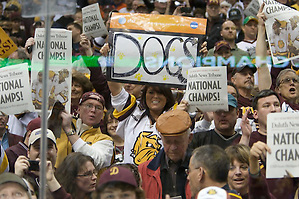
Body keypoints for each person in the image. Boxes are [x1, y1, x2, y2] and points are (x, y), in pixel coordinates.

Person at [108, 81, 175, 165]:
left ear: (167, 97)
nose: (155, 96)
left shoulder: (174, 117)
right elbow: (114, 86)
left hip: (160, 177)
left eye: (160, 93)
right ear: (145, 95)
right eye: (151, 92)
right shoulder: (132, 110)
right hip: (131, 176)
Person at [138, 109, 192, 199]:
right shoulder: (144, 170)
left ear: (189, 138)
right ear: (161, 139)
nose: (173, 147)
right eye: (168, 142)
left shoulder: (203, 168)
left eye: (178, 141)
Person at [57, 91, 114, 169]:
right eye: (89, 106)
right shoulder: (60, 128)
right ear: (79, 109)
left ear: (102, 115)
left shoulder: (105, 140)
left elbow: (97, 161)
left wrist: (69, 130)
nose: (93, 110)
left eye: (98, 108)